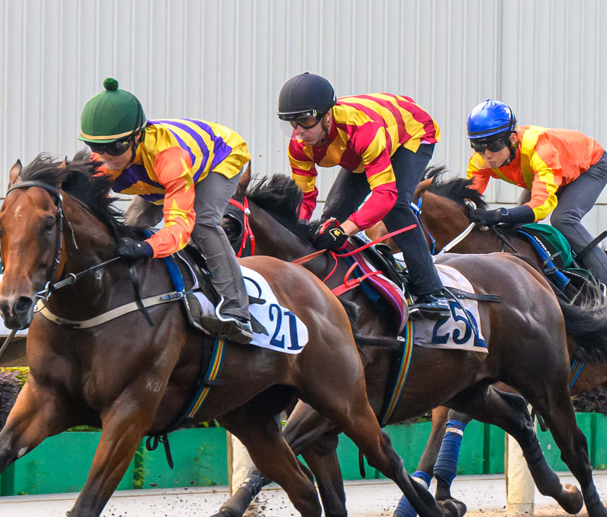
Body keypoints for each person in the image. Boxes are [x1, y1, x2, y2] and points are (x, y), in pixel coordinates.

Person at [78, 78, 264, 342]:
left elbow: (180, 226)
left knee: (203, 223)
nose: (105, 157)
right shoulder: (103, 160)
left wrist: (148, 248)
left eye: (114, 147)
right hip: (157, 174)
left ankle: (237, 310)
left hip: (220, 156)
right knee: (130, 225)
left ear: (137, 136)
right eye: (96, 148)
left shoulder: (168, 158)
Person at [277, 73, 453, 316]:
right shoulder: (299, 145)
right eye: (291, 123)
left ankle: (432, 292)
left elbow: (385, 195)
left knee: (395, 207)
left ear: (327, 116)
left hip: (411, 133)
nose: (299, 132)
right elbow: (304, 199)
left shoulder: (361, 129)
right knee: (331, 216)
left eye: (305, 121)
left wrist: (346, 230)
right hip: (364, 145)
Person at [460, 100, 607, 309]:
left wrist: (497, 214)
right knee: (514, 227)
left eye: (493, 145)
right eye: (478, 146)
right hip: (545, 174)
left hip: (589, 166)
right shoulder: (480, 160)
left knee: (563, 219)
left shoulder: (540, 149)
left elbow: (541, 206)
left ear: (512, 138)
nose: (487, 155)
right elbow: (469, 197)